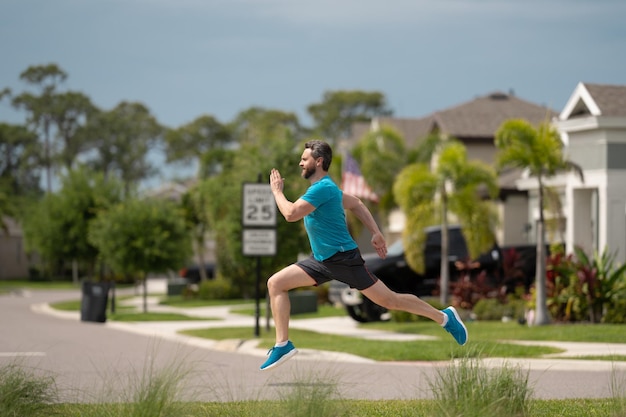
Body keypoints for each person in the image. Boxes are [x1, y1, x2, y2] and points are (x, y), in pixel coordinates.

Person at [259, 139, 467, 371]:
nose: (300, 163)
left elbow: (290, 213)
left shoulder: (323, 189)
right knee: (276, 283)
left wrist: (277, 192)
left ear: (318, 161)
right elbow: (356, 203)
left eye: (304, 159)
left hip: (344, 260)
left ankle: (445, 317)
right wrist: (376, 232)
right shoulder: (328, 190)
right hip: (321, 260)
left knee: (390, 300)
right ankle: (283, 344)